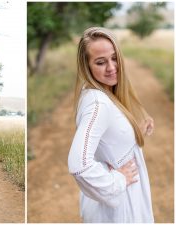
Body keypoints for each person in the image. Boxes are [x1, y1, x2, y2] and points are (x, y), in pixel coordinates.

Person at [67, 27, 154, 222]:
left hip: (123, 202)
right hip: (120, 209)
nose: (112, 67)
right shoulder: (98, 103)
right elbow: (79, 166)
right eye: (100, 62)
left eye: (114, 58)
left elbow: (108, 140)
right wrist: (118, 180)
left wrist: (134, 131)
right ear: (86, 66)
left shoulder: (101, 93)